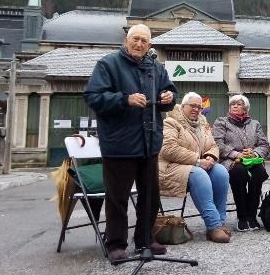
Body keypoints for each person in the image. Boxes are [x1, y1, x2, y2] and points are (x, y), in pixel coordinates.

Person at [84, 24, 177, 261]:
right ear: (126, 40)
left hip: (149, 142)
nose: (139, 44)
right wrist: (124, 100)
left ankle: (145, 239)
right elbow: (93, 97)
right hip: (119, 144)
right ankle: (115, 243)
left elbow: (169, 94)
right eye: (135, 39)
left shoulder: (156, 68)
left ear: (150, 45)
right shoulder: (108, 64)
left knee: (151, 195)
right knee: (118, 197)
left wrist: (169, 98)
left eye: (144, 41)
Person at [158, 92, 231, 243]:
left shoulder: (202, 123)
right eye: (193, 106)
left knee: (221, 172)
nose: (196, 109)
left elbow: (212, 145)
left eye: (199, 106)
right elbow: (169, 149)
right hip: (171, 168)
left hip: (194, 165)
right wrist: (197, 161)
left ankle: (220, 222)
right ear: (183, 106)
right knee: (199, 175)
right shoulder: (171, 122)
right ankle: (213, 225)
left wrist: (210, 156)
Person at [212, 94, 270, 232]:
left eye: (239, 104)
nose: (235, 106)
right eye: (233, 104)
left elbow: (264, 144)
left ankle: (252, 215)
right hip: (231, 160)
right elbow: (217, 143)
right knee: (239, 173)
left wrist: (254, 153)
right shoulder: (221, 122)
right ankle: (242, 217)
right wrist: (237, 154)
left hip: (252, 159)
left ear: (246, 108)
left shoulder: (254, 124)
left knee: (259, 173)